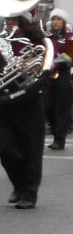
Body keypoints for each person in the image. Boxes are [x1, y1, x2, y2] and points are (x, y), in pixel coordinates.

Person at [0, 11, 47, 209]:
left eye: (15, 19)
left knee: (31, 149)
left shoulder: (39, 41)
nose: (10, 23)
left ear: (24, 21)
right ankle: (19, 184)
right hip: (7, 100)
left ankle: (29, 193)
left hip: (31, 101)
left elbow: (45, 65)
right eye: (8, 19)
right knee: (5, 149)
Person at [45, 8, 71, 151]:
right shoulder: (47, 38)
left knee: (62, 108)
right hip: (48, 75)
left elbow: (70, 56)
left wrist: (55, 61)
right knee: (48, 108)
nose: (55, 22)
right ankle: (56, 133)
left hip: (63, 75)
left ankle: (59, 139)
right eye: (54, 19)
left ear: (63, 22)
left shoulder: (70, 37)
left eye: (58, 19)